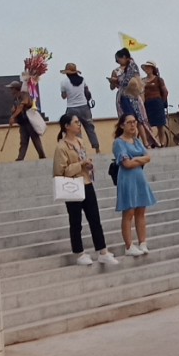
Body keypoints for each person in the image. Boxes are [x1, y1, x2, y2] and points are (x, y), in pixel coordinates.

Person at [54, 112, 118, 266]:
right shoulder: (61, 147)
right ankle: (79, 253)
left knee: (95, 219)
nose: (79, 125)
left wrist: (88, 165)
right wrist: (80, 164)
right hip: (72, 186)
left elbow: (83, 160)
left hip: (87, 183)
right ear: (67, 126)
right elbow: (60, 171)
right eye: (75, 122)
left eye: (79, 122)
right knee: (76, 221)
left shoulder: (80, 142)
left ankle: (102, 251)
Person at [112, 113, 156, 256]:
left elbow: (147, 157)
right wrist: (139, 159)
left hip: (139, 177)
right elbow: (126, 163)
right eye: (129, 122)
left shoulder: (136, 141)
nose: (133, 125)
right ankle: (129, 245)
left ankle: (142, 242)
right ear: (122, 125)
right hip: (127, 178)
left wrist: (136, 159)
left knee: (141, 210)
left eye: (134, 122)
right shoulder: (119, 142)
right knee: (129, 212)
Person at [58, 63, 99, 151]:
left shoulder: (64, 82)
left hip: (72, 108)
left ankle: (80, 149)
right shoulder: (82, 80)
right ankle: (97, 148)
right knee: (90, 128)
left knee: (76, 130)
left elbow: (64, 96)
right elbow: (87, 92)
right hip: (84, 107)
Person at [7, 81, 46, 161]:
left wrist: (13, 116)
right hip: (23, 122)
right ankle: (20, 158)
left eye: (12, 89)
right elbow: (16, 109)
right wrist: (13, 115)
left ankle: (42, 156)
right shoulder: (16, 98)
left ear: (16, 89)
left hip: (29, 121)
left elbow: (21, 107)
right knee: (23, 141)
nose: (11, 91)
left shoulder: (25, 95)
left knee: (35, 139)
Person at [141, 61, 170, 147]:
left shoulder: (158, 79)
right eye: (146, 68)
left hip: (157, 103)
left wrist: (162, 102)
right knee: (147, 124)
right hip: (147, 103)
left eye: (149, 67)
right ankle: (151, 141)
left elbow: (165, 91)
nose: (147, 69)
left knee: (160, 124)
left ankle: (162, 142)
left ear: (152, 69)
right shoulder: (142, 81)